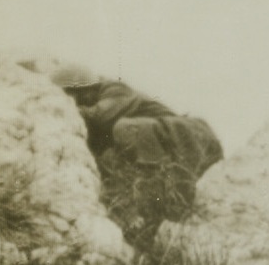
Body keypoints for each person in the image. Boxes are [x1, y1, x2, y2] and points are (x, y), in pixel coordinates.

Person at [49, 65, 223, 214]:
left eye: (73, 95)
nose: (77, 101)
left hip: (189, 133)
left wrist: (60, 105)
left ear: (86, 89)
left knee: (124, 128)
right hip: (168, 141)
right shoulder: (95, 101)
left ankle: (154, 182)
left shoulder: (115, 89)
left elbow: (101, 116)